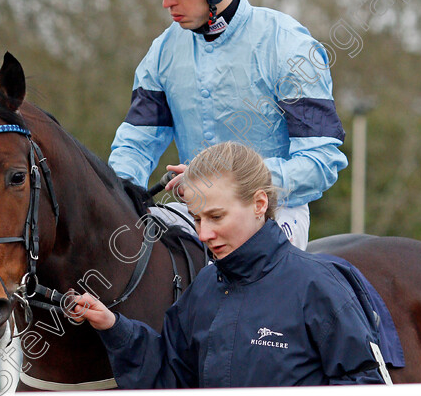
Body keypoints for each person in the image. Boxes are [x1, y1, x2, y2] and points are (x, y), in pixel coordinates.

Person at [108, 0, 348, 250]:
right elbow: (135, 146)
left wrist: (226, 184)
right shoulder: (161, 53)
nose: (166, 3)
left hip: (270, 214)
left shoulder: (288, 45)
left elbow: (319, 162)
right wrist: (114, 201)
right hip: (191, 214)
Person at [71, 142, 388, 388]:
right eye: (196, 219)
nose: (203, 234)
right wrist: (114, 326)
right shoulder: (204, 289)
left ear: (259, 204)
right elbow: (170, 377)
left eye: (216, 216)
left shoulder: (320, 285)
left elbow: (366, 385)